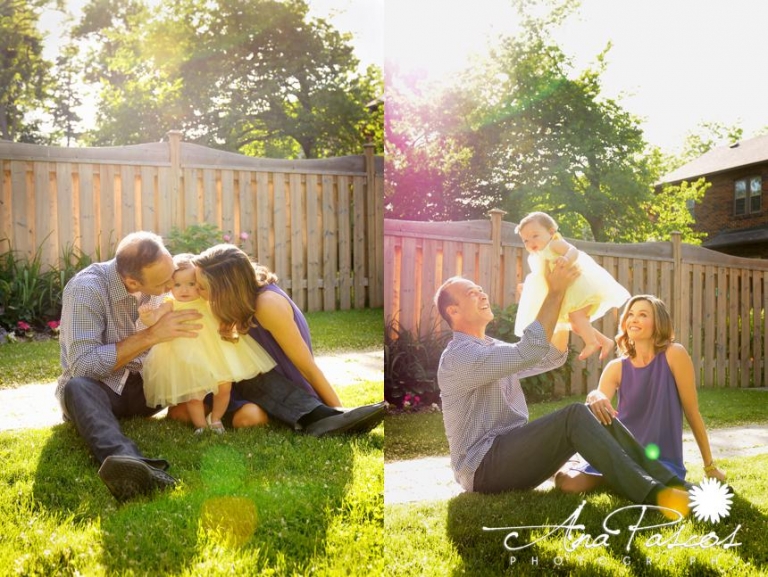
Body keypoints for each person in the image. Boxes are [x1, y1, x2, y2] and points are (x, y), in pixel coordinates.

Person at [435, 263, 693, 516]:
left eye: (480, 288)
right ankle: (656, 495)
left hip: (509, 456)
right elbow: (530, 350)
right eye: (472, 293)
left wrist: (563, 309)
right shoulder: (460, 357)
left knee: (594, 413)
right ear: (454, 311)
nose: (482, 293)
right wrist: (554, 293)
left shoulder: (491, 348)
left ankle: (671, 481)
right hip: (483, 467)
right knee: (574, 416)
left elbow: (552, 356)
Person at [166, 244, 385, 436]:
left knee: (248, 380)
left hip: (282, 388)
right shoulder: (235, 303)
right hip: (245, 382)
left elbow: (307, 366)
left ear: (226, 287)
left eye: (202, 287)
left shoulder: (266, 303)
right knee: (180, 412)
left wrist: (341, 413)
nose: (198, 292)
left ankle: (319, 416)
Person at [57, 231, 204, 501]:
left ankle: (302, 412)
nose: (172, 284)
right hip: (102, 391)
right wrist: (152, 335)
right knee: (77, 387)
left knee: (217, 363)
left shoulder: (164, 282)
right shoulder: (86, 289)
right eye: (163, 283)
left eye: (172, 273)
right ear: (132, 282)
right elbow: (83, 366)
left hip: (148, 385)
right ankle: (132, 467)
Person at [555, 295, 727, 494]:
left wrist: (710, 467)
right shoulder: (616, 367)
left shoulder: (674, 355)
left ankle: (620, 480)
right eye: (630, 314)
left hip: (660, 461)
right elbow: (598, 407)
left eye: (643, 315)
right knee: (568, 483)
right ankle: (581, 464)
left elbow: (692, 412)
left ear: (658, 323)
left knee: (656, 486)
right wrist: (594, 394)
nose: (633, 319)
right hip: (618, 455)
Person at [139, 254, 276, 435]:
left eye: (191, 284)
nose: (184, 290)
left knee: (224, 386)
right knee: (194, 394)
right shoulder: (170, 304)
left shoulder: (207, 299)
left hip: (215, 352)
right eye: (177, 285)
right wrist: (148, 317)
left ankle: (216, 418)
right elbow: (155, 318)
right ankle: (201, 426)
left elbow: (224, 313)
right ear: (170, 285)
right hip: (186, 356)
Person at [514, 211, 630, 360]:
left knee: (577, 316)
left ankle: (592, 343)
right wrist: (530, 288)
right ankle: (605, 341)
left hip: (578, 287)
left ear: (551, 232)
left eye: (535, 236)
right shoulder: (538, 255)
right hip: (566, 290)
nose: (530, 243)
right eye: (525, 241)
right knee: (575, 325)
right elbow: (543, 276)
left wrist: (566, 258)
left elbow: (573, 250)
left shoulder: (554, 244)